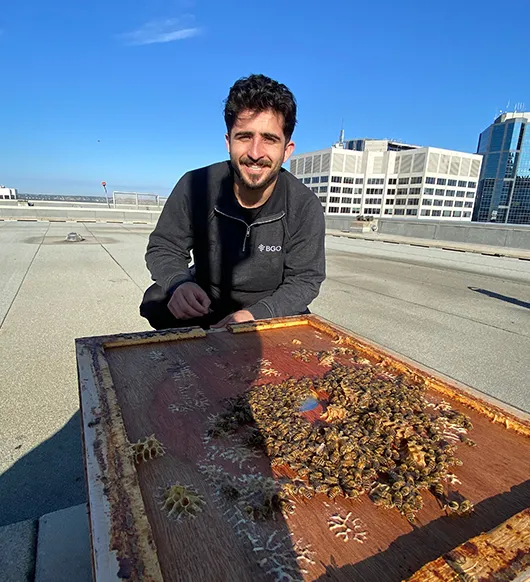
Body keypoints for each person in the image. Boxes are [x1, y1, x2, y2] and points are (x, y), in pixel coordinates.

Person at [140, 74, 325, 330]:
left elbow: (305, 280)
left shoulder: (304, 204)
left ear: (287, 150)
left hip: (266, 304)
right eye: (244, 137)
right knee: (155, 299)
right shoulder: (195, 185)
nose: (255, 153)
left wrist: (257, 314)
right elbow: (164, 247)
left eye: (269, 139)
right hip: (206, 300)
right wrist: (179, 283)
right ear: (229, 142)